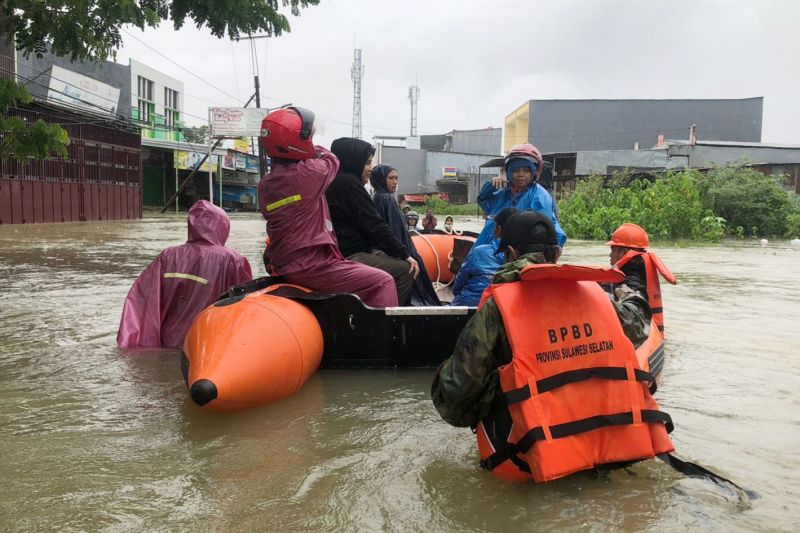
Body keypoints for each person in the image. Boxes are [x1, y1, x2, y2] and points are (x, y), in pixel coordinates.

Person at [431, 211, 674, 483]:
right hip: (605, 448)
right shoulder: (595, 297)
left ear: (509, 253)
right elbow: (640, 322)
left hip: (528, 459)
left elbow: (455, 392)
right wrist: (630, 287)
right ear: (557, 253)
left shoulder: (496, 310)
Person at [257, 107, 399, 308]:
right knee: (383, 281)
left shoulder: (266, 185)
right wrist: (310, 149)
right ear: (299, 142)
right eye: (308, 137)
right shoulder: (309, 174)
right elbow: (332, 159)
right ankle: (384, 338)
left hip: (282, 262)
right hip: (312, 265)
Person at [117, 200, 253, 348]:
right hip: (204, 345)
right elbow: (245, 307)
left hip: (166, 343)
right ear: (223, 227)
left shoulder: (167, 256)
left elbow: (141, 300)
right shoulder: (233, 260)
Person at [327, 137, 420, 306]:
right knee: (406, 270)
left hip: (349, 249)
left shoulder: (336, 182)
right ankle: (387, 321)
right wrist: (405, 254)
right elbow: (375, 226)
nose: (370, 169)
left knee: (389, 257)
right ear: (354, 161)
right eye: (367, 163)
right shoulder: (349, 183)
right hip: (349, 254)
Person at [370, 165, 441, 306]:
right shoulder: (386, 199)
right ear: (380, 179)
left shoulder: (376, 196)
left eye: (396, 178)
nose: (395, 182)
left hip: (383, 251)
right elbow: (394, 231)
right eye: (391, 178)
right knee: (415, 266)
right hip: (396, 251)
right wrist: (405, 253)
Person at [475, 143, 566, 251]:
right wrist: (491, 185)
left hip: (518, 253)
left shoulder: (539, 197)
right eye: (516, 170)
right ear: (509, 172)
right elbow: (484, 202)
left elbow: (540, 234)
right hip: (492, 249)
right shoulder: (503, 194)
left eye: (526, 171)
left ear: (535, 172)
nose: (520, 175)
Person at [607, 223, 677, 335]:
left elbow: (635, 306)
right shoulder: (637, 268)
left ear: (624, 252)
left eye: (612, 250)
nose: (609, 255)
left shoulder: (633, 276)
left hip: (644, 332)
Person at [451, 207, 518, 306]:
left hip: (469, 305)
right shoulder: (524, 258)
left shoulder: (479, 252)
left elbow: (458, 285)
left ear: (498, 229)